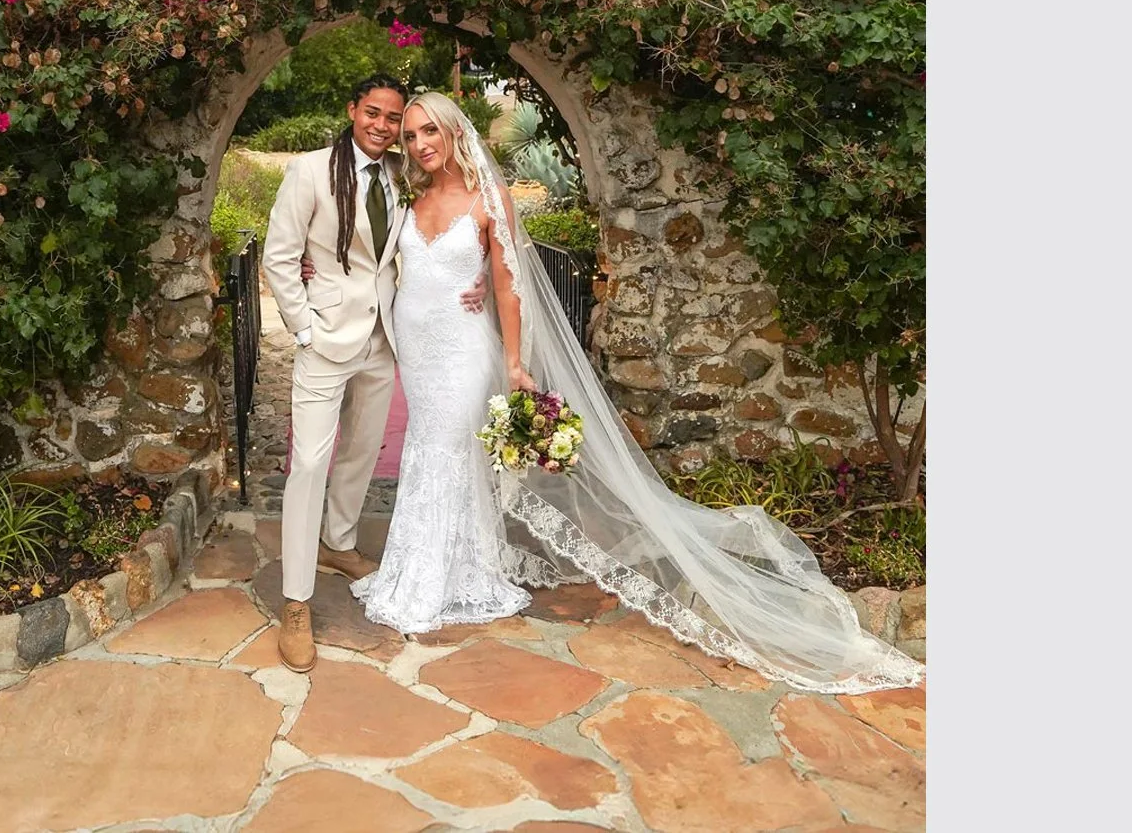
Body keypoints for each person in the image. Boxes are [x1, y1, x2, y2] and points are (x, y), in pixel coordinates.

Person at [342, 90, 923, 693]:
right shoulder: (410, 198)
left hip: (462, 348)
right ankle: (423, 563)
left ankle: (449, 576)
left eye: (427, 131)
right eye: (410, 136)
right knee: (426, 447)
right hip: (416, 341)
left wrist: (514, 363)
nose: (419, 144)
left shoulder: (490, 201)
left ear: (454, 132)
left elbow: (509, 285)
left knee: (451, 449)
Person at [259, 75, 484, 673]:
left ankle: (338, 542)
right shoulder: (309, 170)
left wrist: (481, 275)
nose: (385, 127)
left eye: (395, 120)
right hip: (325, 339)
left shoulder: (400, 177)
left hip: (384, 339)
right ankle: (297, 602)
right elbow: (279, 255)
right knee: (310, 463)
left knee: (361, 451)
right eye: (375, 114)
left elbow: (443, 241)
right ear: (352, 110)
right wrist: (303, 329)